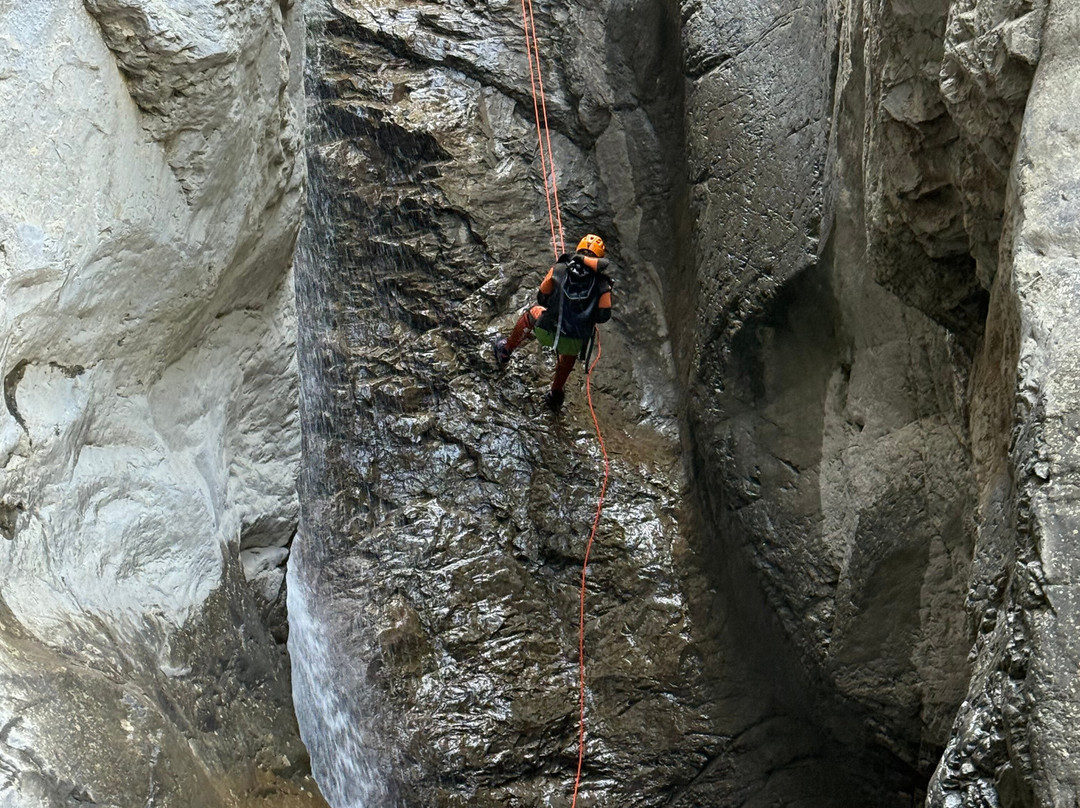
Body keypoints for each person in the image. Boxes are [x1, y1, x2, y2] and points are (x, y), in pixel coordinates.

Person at [493, 234, 613, 411]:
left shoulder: (559, 269)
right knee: (570, 354)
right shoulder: (603, 284)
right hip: (572, 343)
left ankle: (506, 350)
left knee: (533, 312)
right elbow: (603, 316)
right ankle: (555, 393)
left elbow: (542, 297)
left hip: (547, 332)